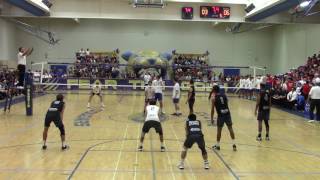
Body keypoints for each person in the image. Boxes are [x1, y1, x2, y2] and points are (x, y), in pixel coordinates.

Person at [211, 85, 237, 151]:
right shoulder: (224, 95)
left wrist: (211, 119)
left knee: (219, 131)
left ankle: (218, 145)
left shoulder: (214, 98)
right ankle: (234, 145)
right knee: (230, 128)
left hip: (221, 115)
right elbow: (226, 103)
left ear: (214, 90)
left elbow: (212, 110)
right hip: (227, 114)